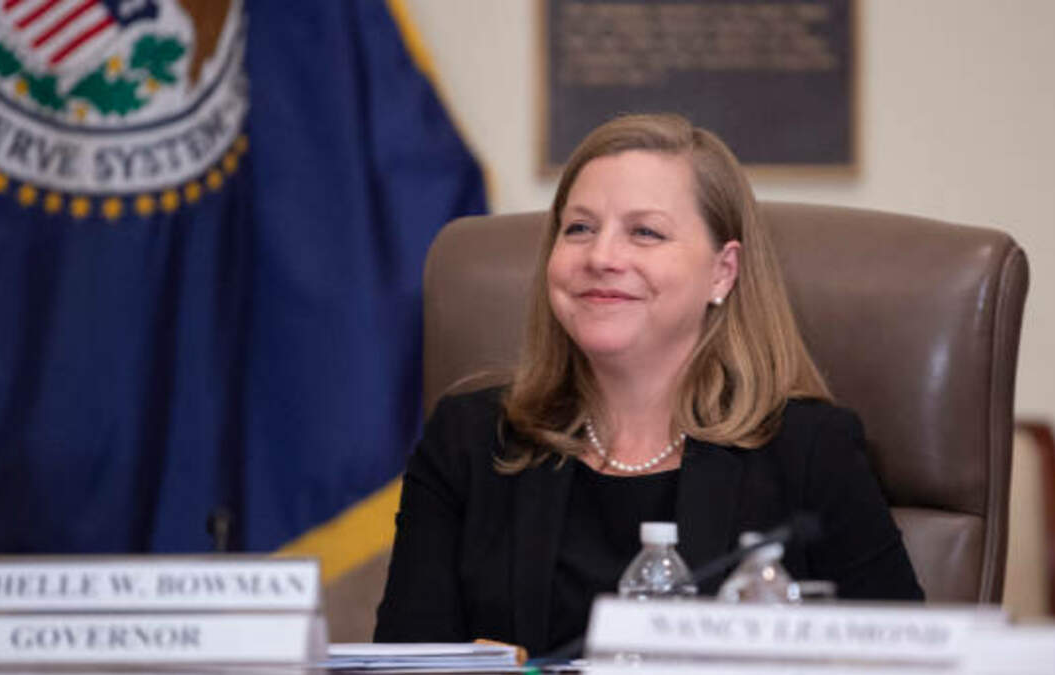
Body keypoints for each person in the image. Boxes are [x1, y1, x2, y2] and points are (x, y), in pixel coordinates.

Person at [373, 114, 923, 656]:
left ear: (722, 271)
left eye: (645, 232)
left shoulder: (810, 452)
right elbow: (405, 662)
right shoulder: (469, 441)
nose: (601, 257)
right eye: (579, 228)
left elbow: (910, 666)